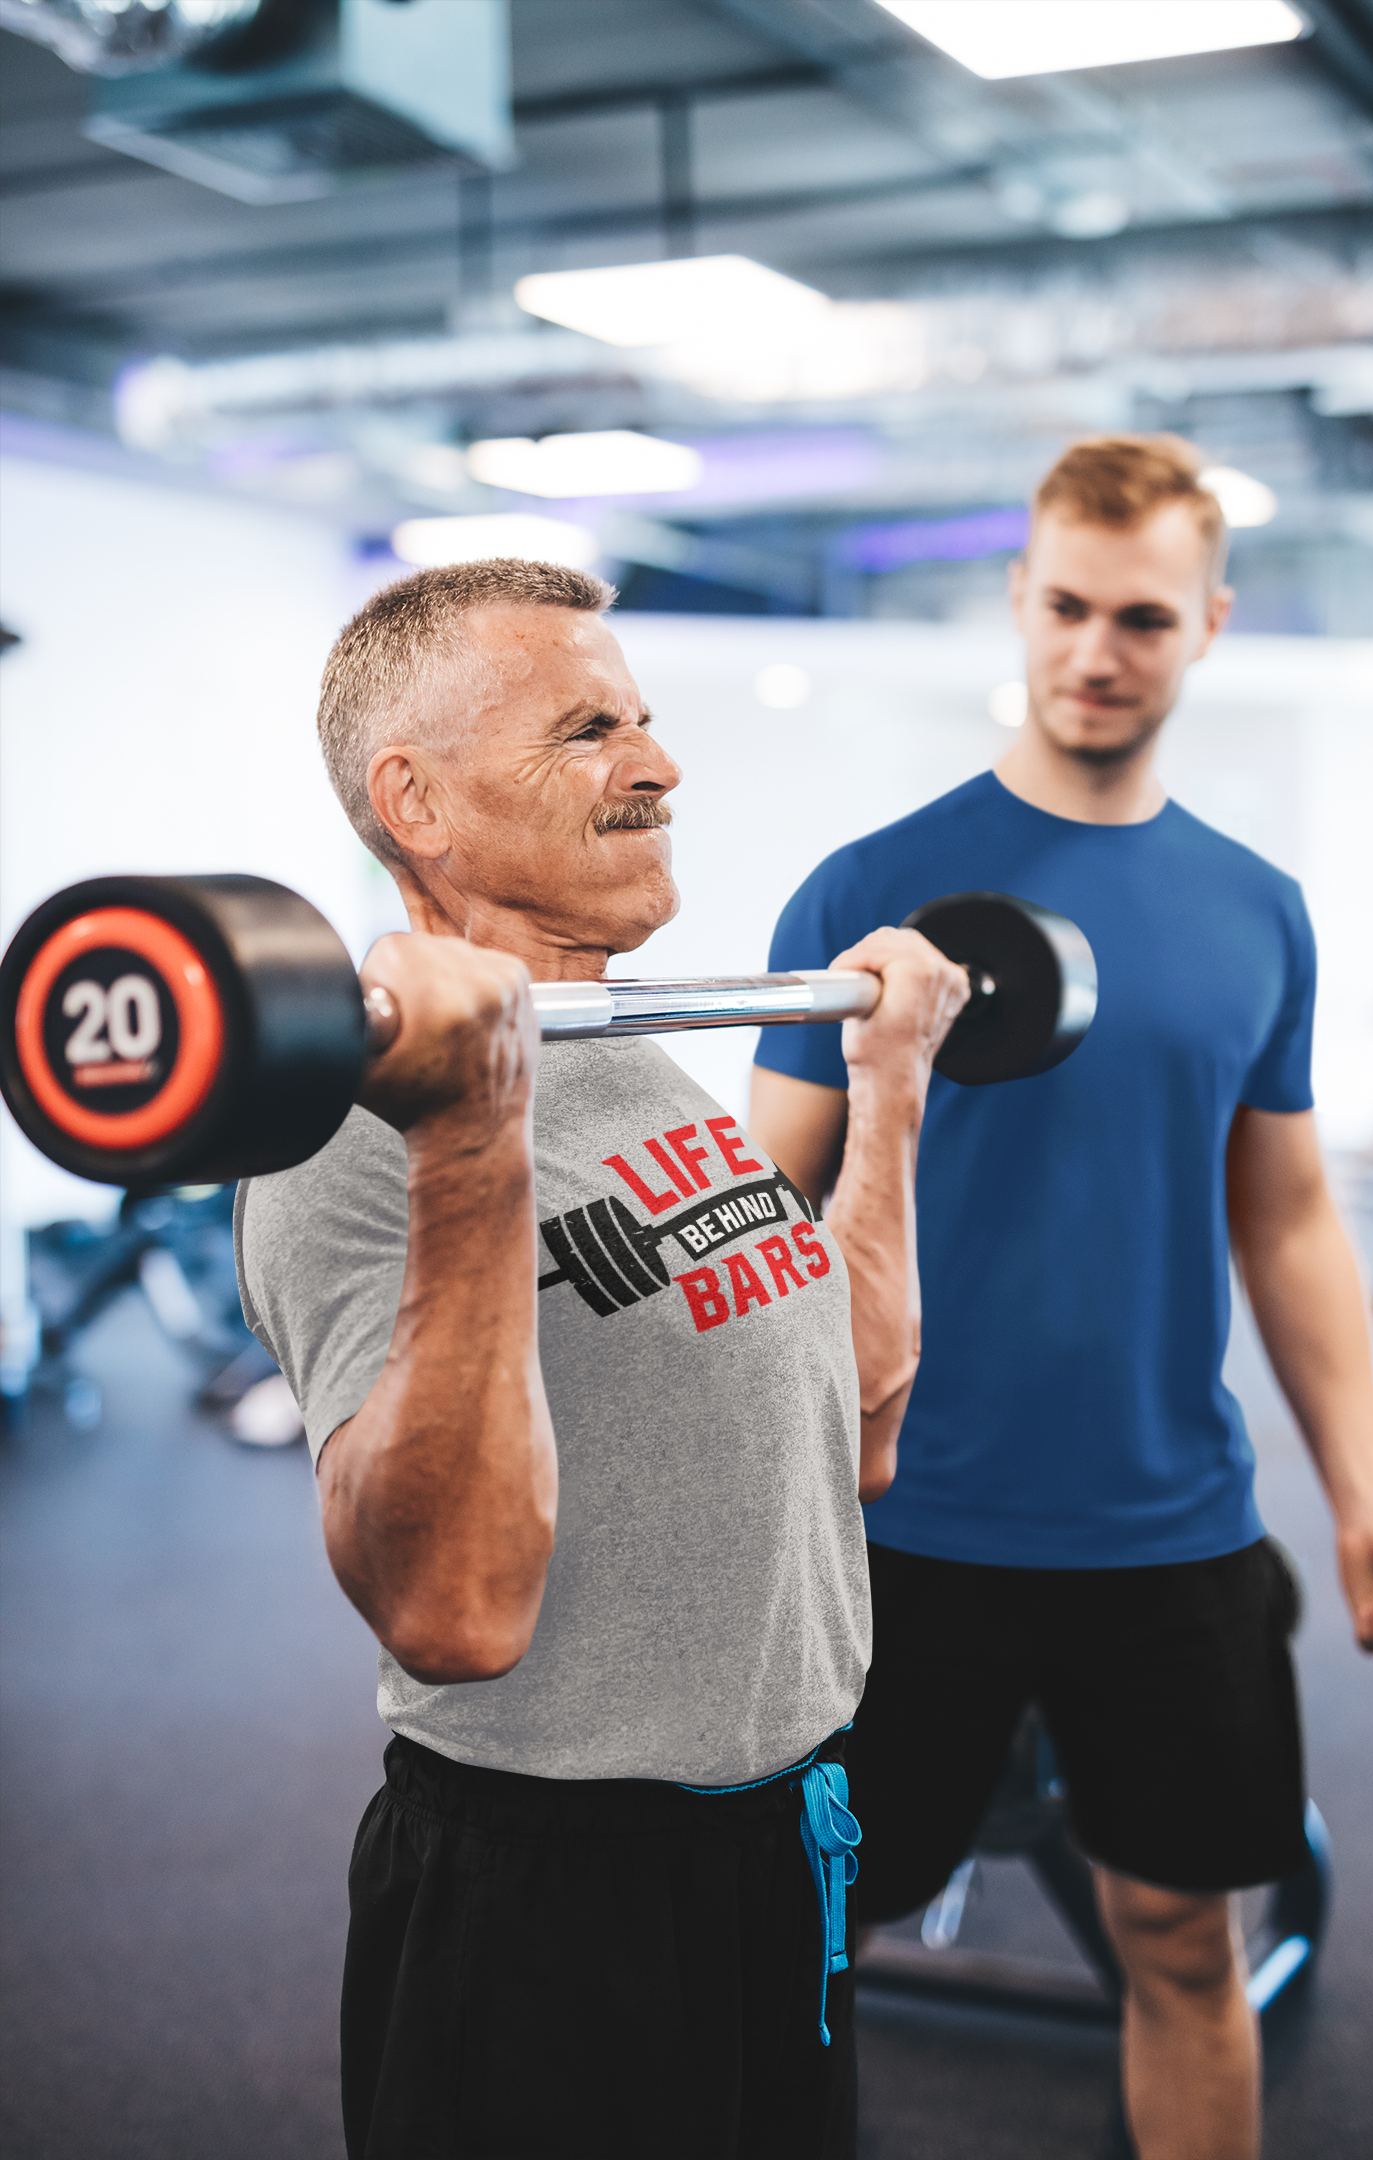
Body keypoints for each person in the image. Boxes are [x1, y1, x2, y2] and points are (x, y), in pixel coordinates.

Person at [749, 435, 1373, 2160]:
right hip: (896, 1530)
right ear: (1018, 598)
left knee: (1185, 1945)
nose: (1095, 650)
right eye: (1065, 605)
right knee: (802, 1951)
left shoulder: (1256, 912)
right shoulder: (865, 888)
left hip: (1168, 1534)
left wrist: (1369, 1502)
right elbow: (758, 1217)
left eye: (1141, 616)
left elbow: (1288, 1219)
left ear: (1210, 622)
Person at [233, 557, 968, 2160]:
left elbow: (856, 1429)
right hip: (549, 1899)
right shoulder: (348, 1136)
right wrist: (471, 1130)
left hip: (783, 1847)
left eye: (641, 720)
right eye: (589, 731)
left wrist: (892, 1089)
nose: (659, 766)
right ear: (415, 803)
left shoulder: (637, 1058)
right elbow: (450, 1612)